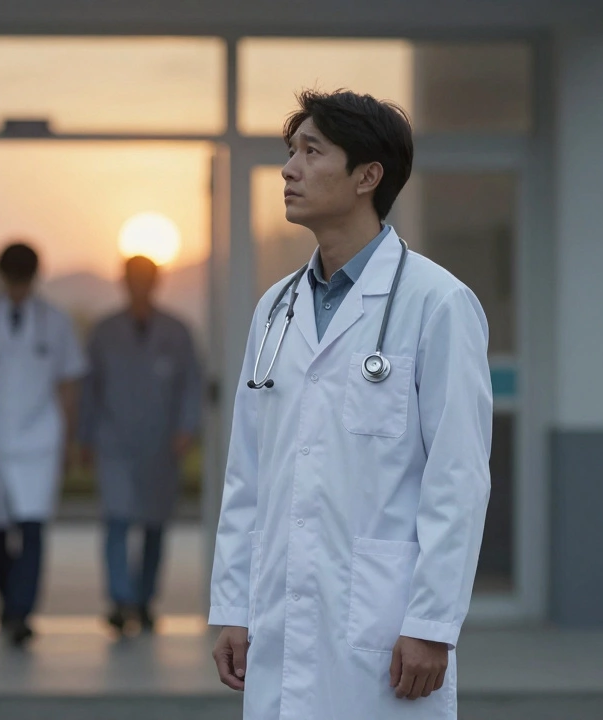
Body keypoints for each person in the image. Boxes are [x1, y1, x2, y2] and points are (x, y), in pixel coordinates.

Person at [208, 89, 493, 719]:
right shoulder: (276, 310)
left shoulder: (437, 304)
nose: (289, 169)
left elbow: (458, 480)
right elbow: (247, 472)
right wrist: (233, 603)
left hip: (385, 630)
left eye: (312, 152)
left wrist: (432, 621)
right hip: (281, 622)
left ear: (368, 176)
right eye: (291, 152)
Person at [0, 241, 87, 647]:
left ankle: (19, 611)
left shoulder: (55, 322)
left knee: (32, 525)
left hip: (39, 438)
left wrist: (67, 438)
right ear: (1, 277)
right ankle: (9, 602)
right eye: (12, 280)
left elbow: (69, 384)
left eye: (23, 281)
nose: (18, 289)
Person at [78, 255, 202, 636]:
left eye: (146, 278)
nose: (139, 285)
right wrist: (84, 437)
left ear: (156, 282)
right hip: (114, 438)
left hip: (160, 442)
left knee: (153, 524)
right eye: (133, 279)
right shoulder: (104, 332)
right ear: (123, 282)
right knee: (116, 519)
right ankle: (120, 600)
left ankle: (145, 600)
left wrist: (185, 429)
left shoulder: (178, 332)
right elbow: (89, 390)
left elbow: (191, 386)